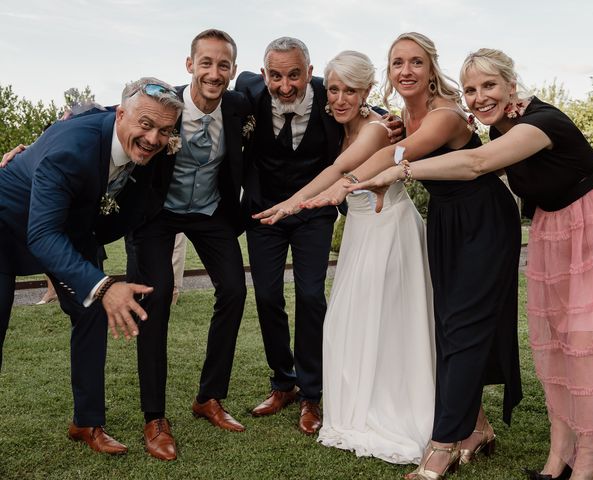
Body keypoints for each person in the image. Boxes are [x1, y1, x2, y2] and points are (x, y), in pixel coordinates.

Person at [351, 47, 593, 480]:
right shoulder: (500, 126)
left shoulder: (542, 123)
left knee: (585, 345)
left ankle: (585, 467)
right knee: (555, 345)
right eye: (470, 89)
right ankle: (557, 458)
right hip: (556, 230)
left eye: (489, 86)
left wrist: (399, 170)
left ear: (510, 84)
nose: (480, 97)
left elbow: (476, 163)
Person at [304, 33, 523, 479]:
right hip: (445, 220)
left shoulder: (444, 115)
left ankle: (440, 447)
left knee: (463, 324)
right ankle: (477, 425)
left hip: (482, 218)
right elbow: (391, 145)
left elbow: (392, 155)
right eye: (397, 62)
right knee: (447, 323)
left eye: (416, 62)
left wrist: (341, 187)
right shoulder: (405, 114)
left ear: (431, 68)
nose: (405, 70)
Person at [253, 50, 435, 463]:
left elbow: (336, 172)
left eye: (350, 91)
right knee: (358, 320)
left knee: (369, 320)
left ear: (367, 91)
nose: (339, 99)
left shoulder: (374, 129)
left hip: (386, 230)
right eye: (333, 89)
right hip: (360, 230)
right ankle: (337, 394)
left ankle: (379, 405)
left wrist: (289, 205)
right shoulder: (345, 121)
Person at [0, 77, 182, 455]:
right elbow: (42, 235)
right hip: (8, 225)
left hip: (68, 230)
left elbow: (127, 213)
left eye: (164, 131)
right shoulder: (73, 147)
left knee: (90, 313)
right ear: (121, 115)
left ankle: (86, 422)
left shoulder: (146, 151)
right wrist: (103, 284)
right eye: (145, 125)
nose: (153, 138)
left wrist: (91, 268)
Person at [236, 38, 401, 435]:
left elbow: (360, 105)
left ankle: (312, 393)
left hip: (316, 212)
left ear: (310, 74)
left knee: (311, 294)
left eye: (295, 74)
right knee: (267, 295)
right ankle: (283, 383)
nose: (286, 85)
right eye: (276, 75)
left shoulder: (332, 92)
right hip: (264, 212)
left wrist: (384, 117)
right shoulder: (247, 90)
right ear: (263, 75)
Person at [129, 28, 251, 461]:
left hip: (211, 212)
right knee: (157, 296)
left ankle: (209, 397)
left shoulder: (240, 104)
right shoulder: (166, 106)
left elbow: (290, 90)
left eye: (223, 65)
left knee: (235, 290)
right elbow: (121, 113)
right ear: (189, 65)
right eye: (206, 63)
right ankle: (154, 417)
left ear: (234, 71)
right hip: (158, 214)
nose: (214, 73)